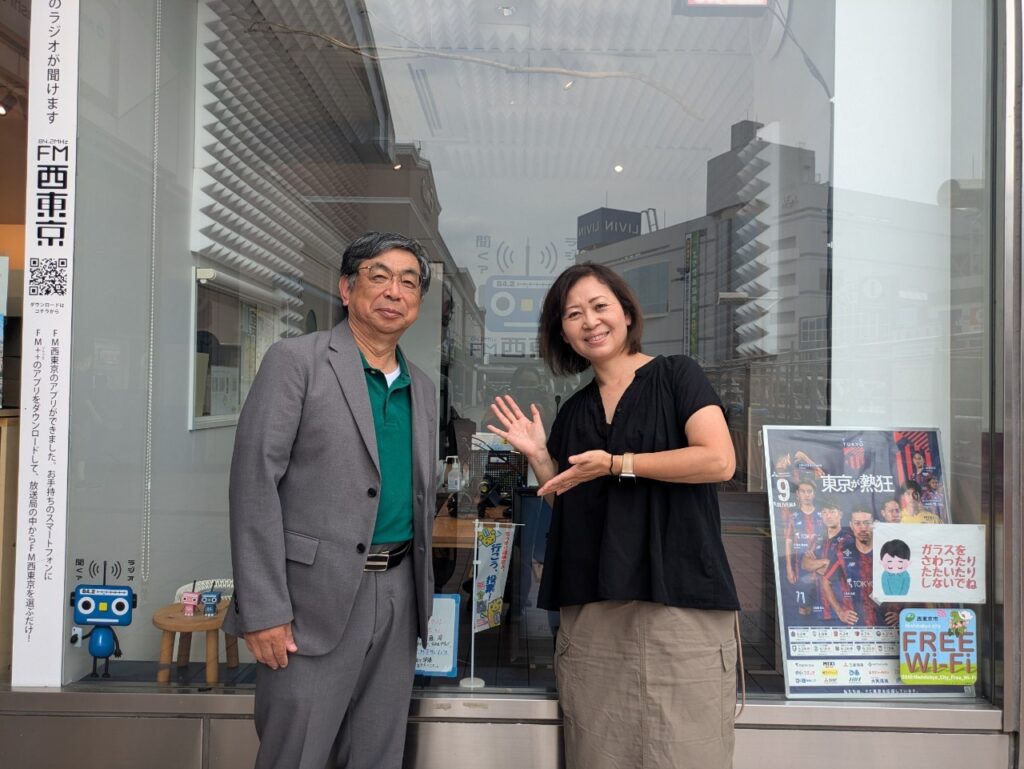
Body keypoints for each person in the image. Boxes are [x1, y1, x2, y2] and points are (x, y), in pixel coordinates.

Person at [486, 262, 740, 769]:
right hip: (595, 609)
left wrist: (617, 463)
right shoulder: (574, 411)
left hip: (678, 601)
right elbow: (571, 503)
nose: (590, 321)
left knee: (687, 753)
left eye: (599, 306)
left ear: (626, 313)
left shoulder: (677, 375)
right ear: (563, 333)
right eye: (573, 314)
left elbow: (719, 460)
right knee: (598, 752)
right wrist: (540, 458)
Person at [223, 232, 437, 769]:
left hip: (399, 593)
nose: (394, 291)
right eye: (379, 276)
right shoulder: (296, 361)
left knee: (376, 754)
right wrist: (263, 611)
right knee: (297, 755)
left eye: (409, 282)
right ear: (346, 288)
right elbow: (253, 484)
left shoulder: (422, 386)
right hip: (308, 602)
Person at [820, 508, 900, 627]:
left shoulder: (890, 550)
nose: (863, 528)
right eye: (857, 523)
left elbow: (911, 580)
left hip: (887, 624)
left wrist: (902, 612)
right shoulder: (843, 553)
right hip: (856, 625)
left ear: (875, 524)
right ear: (851, 525)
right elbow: (826, 581)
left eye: (867, 523)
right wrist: (840, 612)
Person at [801, 498, 853, 622]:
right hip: (819, 607)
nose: (828, 516)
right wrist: (825, 562)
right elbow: (805, 564)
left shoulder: (848, 539)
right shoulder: (818, 538)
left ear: (840, 514)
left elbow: (842, 572)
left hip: (842, 609)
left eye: (832, 511)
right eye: (824, 512)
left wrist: (816, 565)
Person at [784, 478, 822, 617]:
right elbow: (788, 542)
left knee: (820, 606)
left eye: (809, 491)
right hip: (799, 566)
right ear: (798, 494)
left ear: (814, 494)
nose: (806, 495)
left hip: (819, 566)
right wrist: (789, 568)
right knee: (803, 608)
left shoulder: (822, 515)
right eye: (803, 491)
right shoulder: (792, 516)